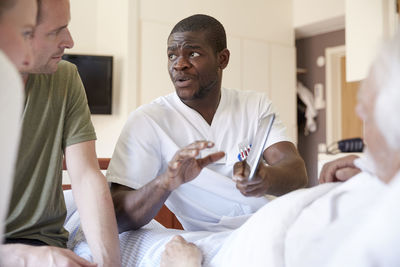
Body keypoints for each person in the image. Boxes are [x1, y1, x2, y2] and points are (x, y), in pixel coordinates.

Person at [159, 29, 400, 267]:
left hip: (246, 246)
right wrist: (370, 172)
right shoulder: (380, 184)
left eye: (368, 108)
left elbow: (296, 174)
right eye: (172, 56)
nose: (359, 112)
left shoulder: (382, 233)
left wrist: (184, 265)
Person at [107, 14, 307, 234]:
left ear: (222, 59)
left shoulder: (255, 105)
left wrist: (265, 178)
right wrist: (166, 182)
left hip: (279, 221)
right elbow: (115, 217)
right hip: (214, 237)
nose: (179, 64)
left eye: (192, 54)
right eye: (172, 55)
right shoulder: (147, 120)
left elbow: (297, 173)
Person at [1, 0, 121, 266]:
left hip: (43, 240)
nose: (70, 41)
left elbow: (86, 176)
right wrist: (23, 257)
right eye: (56, 31)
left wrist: (109, 263)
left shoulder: (65, 78)